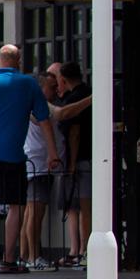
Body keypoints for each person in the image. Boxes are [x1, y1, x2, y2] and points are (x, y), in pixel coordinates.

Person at [0, 45, 61, 274]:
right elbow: (45, 121)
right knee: (15, 207)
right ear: (19, 61)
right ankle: (9, 260)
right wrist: (53, 154)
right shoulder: (29, 84)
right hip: (13, 156)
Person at [21, 72, 65, 269]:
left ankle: (24, 255)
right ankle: (33, 256)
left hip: (36, 163)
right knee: (35, 212)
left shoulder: (32, 104)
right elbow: (61, 114)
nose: (56, 90)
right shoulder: (39, 105)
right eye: (52, 87)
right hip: (38, 164)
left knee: (31, 212)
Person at [56, 61, 93, 268]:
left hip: (79, 158)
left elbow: (74, 133)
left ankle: (81, 250)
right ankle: (82, 250)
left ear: (64, 80)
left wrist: (70, 163)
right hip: (90, 155)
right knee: (84, 205)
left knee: (78, 205)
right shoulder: (89, 93)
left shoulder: (72, 100)